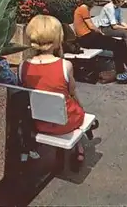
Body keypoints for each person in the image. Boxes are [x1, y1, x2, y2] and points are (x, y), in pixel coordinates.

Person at [19, 15, 86, 163]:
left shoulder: (23, 66)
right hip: (65, 122)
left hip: (38, 121)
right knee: (76, 108)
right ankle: (80, 147)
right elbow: (72, 93)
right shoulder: (65, 65)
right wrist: (82, 108)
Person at [73, 0, 127, 85]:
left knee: (118, 44)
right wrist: (100, 32)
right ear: (90, 3)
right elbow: (91, 26)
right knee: (117, 45)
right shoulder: (84, 9)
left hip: (88, 37)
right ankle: (124, 73)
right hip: (87, 39)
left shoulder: (80, 9)